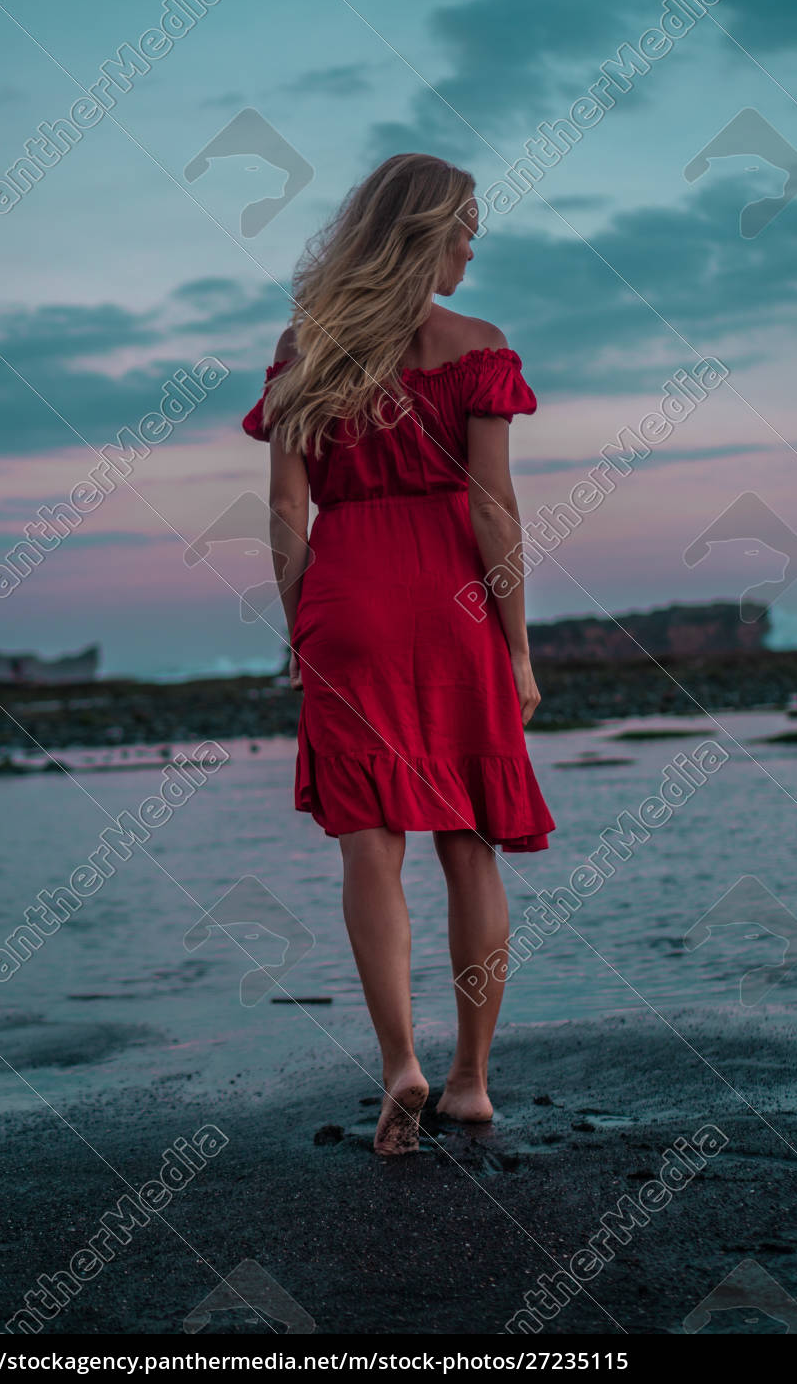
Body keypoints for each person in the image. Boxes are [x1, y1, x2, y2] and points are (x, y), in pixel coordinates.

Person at [241, 152, 555, 1156]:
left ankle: (399, 1067)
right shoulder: (477, 348)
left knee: (369, 847)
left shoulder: (306, 350)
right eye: (466, 226)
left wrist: (300, 625)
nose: (474, 244)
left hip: (348, 595)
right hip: (455, 599)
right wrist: (516, 646)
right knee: (471, 845)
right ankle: (469, 1080)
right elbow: (493, 506)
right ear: (426, 234)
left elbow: (288, 511)